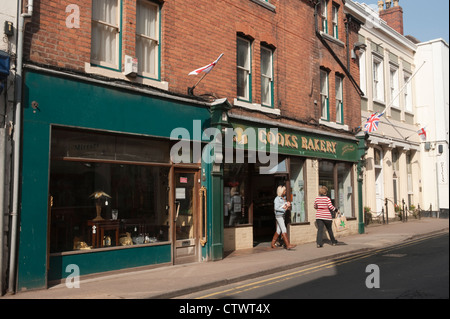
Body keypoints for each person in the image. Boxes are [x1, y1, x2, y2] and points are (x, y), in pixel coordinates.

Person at [272, 185, 296, 250]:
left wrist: (287, 204)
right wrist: (283, 209)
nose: (285, 191)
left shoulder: (283, 198)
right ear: (281, 191)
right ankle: (288, 244)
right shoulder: (277, 199)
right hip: (279, 215)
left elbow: (283, 205)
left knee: (278, 230)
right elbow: (276, 208)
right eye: (284, 190)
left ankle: (272, 243)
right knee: (283, 228)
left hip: (282, 215)